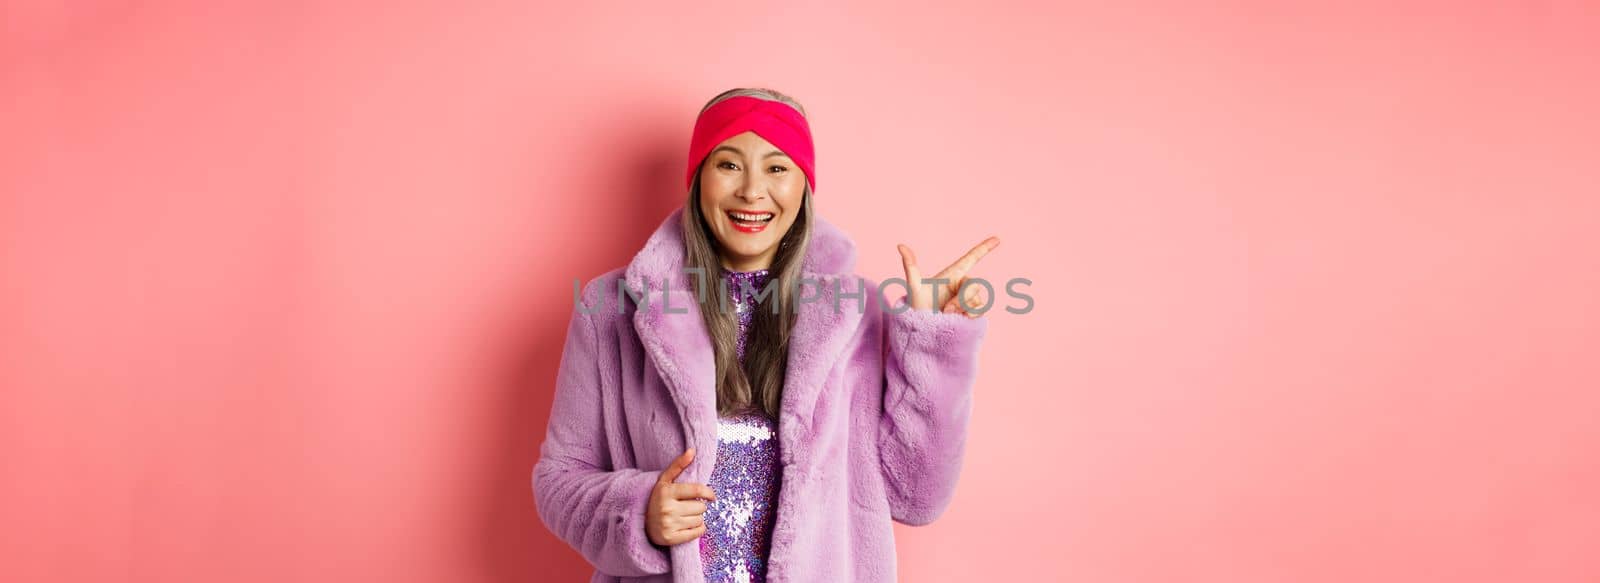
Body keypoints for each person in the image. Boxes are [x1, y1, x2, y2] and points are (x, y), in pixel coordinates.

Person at [532, 87, 997, 582]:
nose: (752, 191)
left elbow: (915, 496)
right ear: (698, 179)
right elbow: (559, 479)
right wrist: (639, 514)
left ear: (803, 186)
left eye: (777, 168)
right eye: (729, 165)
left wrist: (929, 341)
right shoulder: (612, 308)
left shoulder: (857, 315)